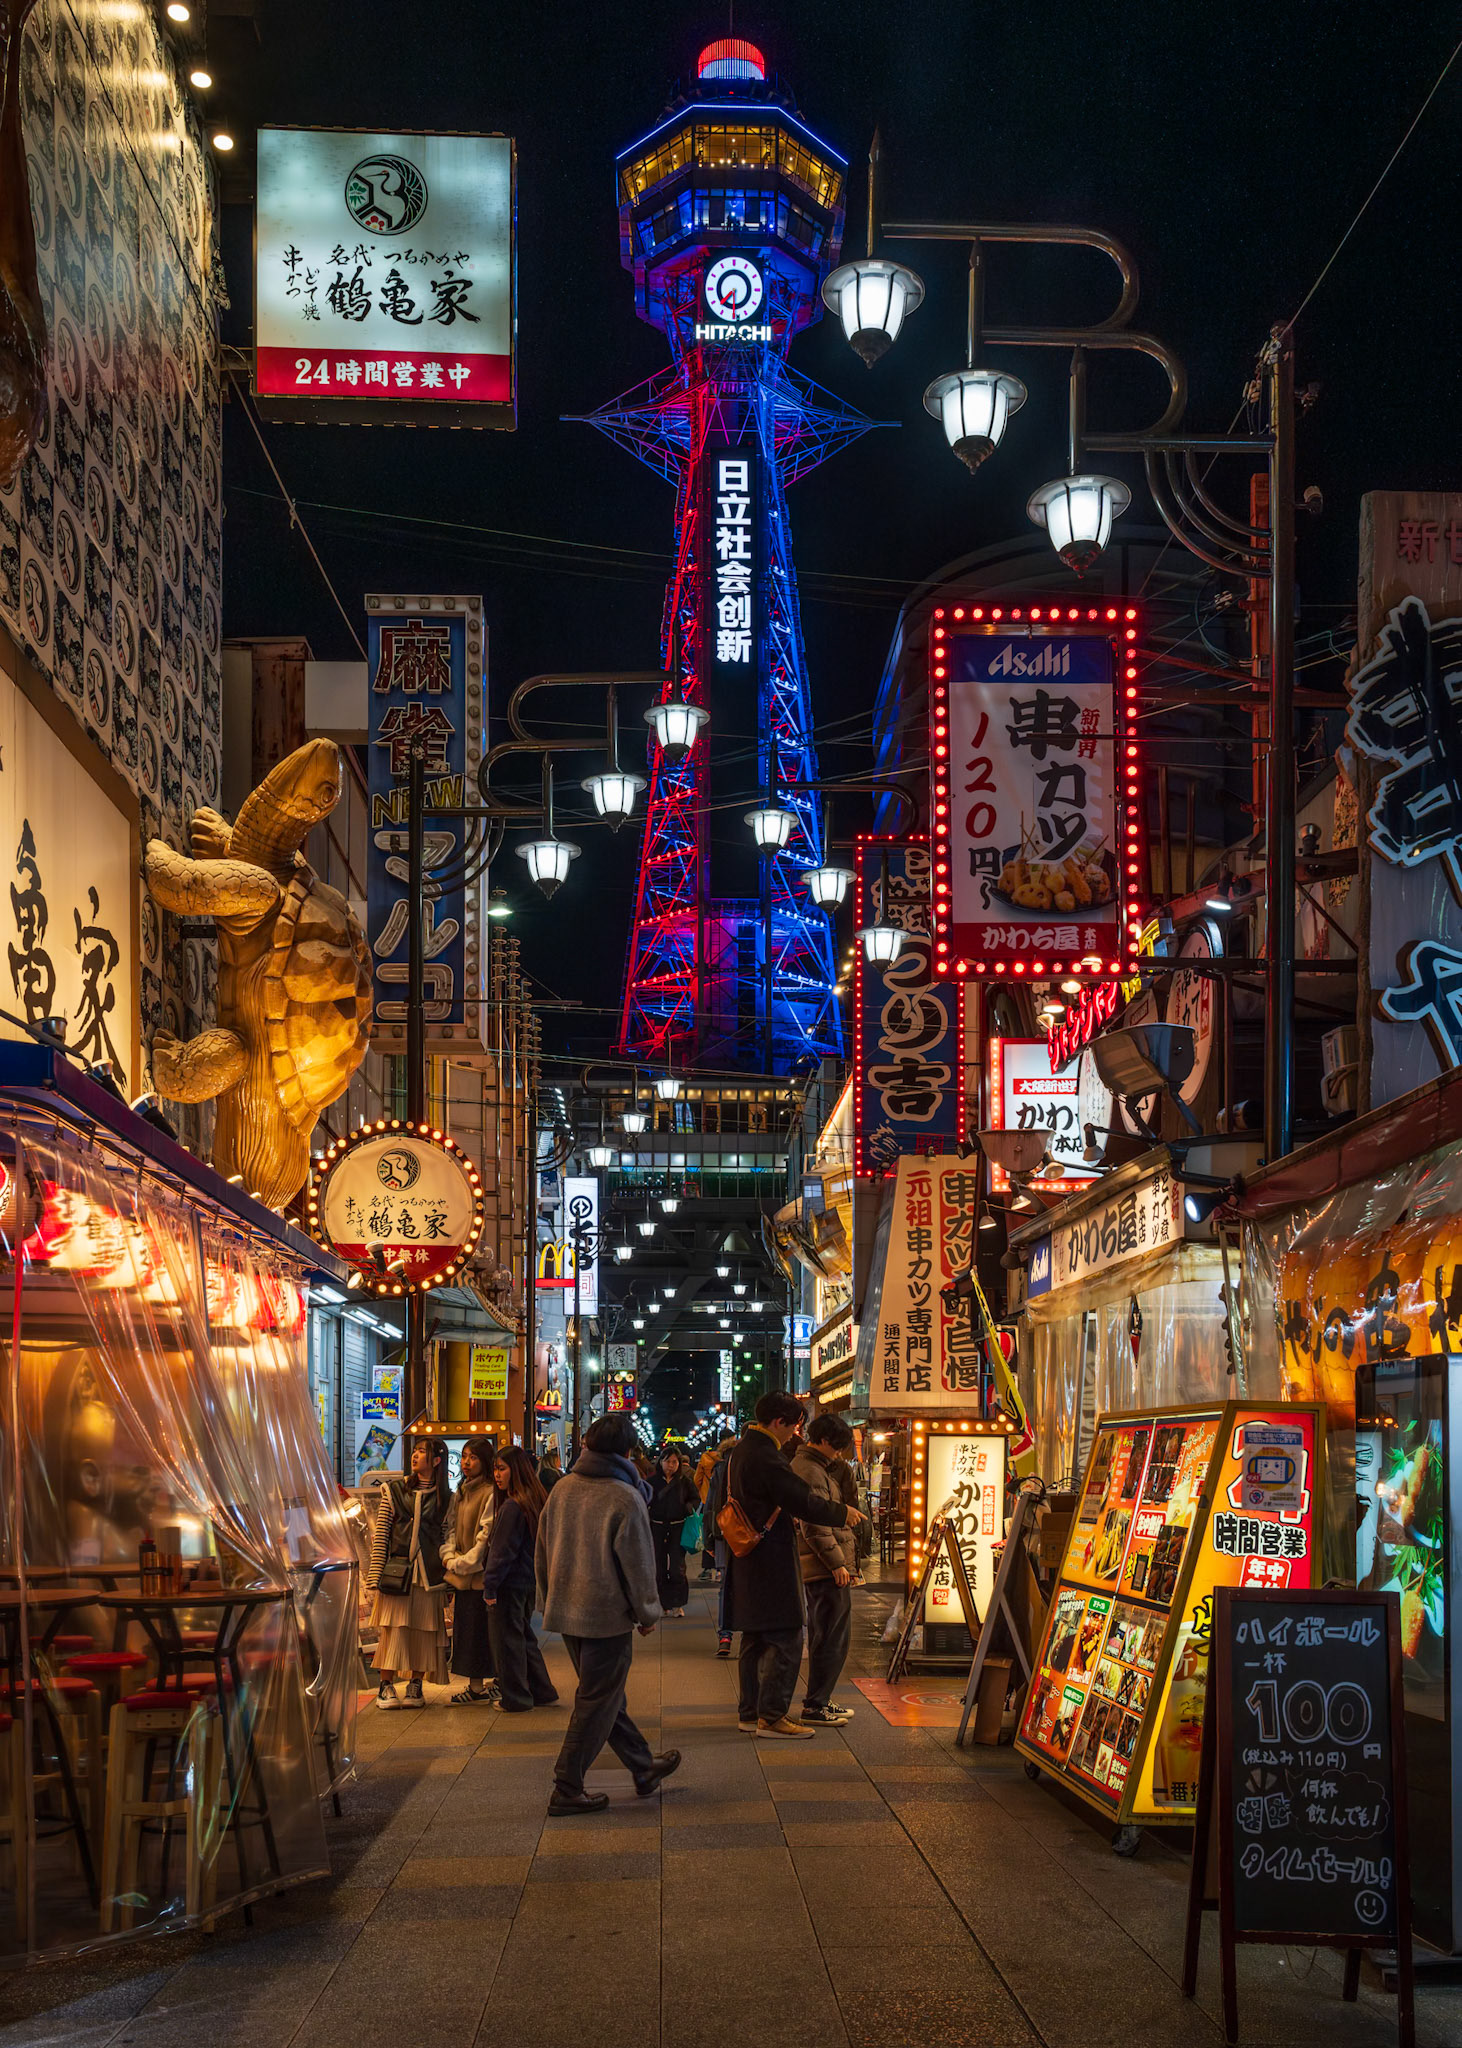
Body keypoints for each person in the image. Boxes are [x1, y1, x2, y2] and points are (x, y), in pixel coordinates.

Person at [535, 1410, 681, 1816]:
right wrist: (647, 1612)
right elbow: (638, 1563)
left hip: (566, 1611)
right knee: (597, 1700)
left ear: (587, 1445)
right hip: (604, 1615)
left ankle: (642, 1764)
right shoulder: (625, 1496)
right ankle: (567, 1785)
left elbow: (542, 1549)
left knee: (603, 1695)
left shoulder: (562, 1489)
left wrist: (548, 1599)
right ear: (628, 1452)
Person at [723, 1393, 864, 1737]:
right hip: (770, 1558)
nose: (795, 1434)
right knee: (786, 1635)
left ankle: (750, 1712)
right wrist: (842, 1512)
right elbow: (801, 1501)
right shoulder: (766, 1456)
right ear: (779, 1422)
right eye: (794, 1425)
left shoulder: (742, 1450)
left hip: (748, 1556)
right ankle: (772, 1717)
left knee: (755, 1637)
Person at [368, 1437, 451, 1709]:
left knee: (425, 1630)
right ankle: (385, 1686)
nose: (415, 1456)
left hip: (429, 1574)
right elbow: (382, 1533)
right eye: (414, 1451)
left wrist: (449, 1579)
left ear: (437, 1461)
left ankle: (416, 1684)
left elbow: (448, 1536)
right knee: (393, 1630)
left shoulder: (447, 1497)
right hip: (397, 1571)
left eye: (422, 1452)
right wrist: (374, 1576)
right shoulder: (393, 1490)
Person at [791, 1414, 858, 1725]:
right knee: (831, 1637)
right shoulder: (812, 1471)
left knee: (827, 1634)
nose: (840, 1454)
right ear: (825, 1441)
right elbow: (815, 1524)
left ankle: (820, 1700)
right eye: (839, 1447)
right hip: (823, 1568)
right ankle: (816, 1705)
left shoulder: (812, 1467)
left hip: (819, 1566)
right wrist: (838, 1564)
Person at [484, 1446, 559, 1712]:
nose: (497, 1475)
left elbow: (501, 1552)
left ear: (516, 1470)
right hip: (527, 1581)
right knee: (524, 1637)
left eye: (502, 1469)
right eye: (495, 1469)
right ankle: (542, 1690)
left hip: (509, 1583)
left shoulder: (512, 1506)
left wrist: (490, 1585)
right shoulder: (534, 1499)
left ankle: (515, 1697)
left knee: (508, 1642)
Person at [441, 1437, 497, 1704]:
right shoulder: (461, 1491)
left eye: (473, 1457)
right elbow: (451, 1529)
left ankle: (485, 1685)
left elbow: (484, 1539)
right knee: (468, 1632)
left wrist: (458, 1563)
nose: (466, 1462)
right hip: (463, 1576)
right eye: (464, 1456)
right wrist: (449, 1555)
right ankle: (478, 1686)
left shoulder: (490, 1492)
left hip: (480, 1577)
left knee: (481, 1633)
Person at [648, 1447, 699, 1616]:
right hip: (657, 1527)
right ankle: (663, 1604)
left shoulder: (684, 1481)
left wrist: (687, 1507)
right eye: (668, 1461)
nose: (671, 1465)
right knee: (658, 1567)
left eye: (674, 1462)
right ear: (660, 1462)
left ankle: (678, 1604)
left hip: (678, 1526)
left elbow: (695, 1498)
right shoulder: (652, 1482)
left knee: (677, 1567)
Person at [694, 1430, 735, 1582]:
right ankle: (720, 1571)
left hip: (709, 1500)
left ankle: (708, 1568)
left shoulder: (706, 1457)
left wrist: (702, 1492)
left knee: (711, 1530)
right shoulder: (737, 1461)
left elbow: (697, 1479)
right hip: (732, 1510)